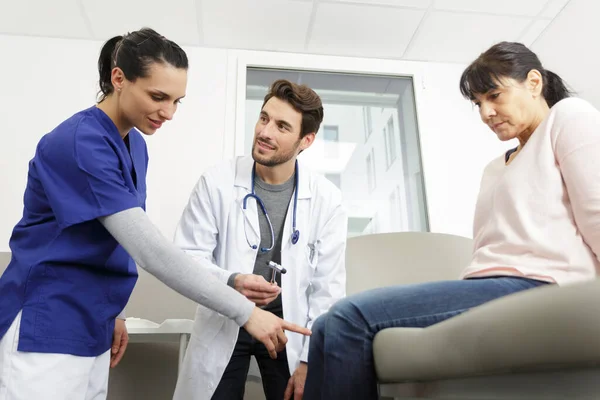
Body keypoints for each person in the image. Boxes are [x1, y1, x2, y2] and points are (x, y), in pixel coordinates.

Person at [0, 28, 309, 400]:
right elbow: (149, 250)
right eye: (158, 97)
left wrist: (114, 312)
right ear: (119, 79)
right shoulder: (80, 141)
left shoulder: (135, 146)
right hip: (46, 321)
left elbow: (115, 241)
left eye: (178, 101)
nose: (169, 112)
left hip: (91, 325)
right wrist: (246, 313)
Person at [303, 40, 600, 399]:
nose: (486, 113)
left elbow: (596, 212)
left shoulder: (567, 117)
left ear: (534, 83)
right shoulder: (495, 167)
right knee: (324, 326)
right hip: (490, 286)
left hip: (541, 284)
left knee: (347, 318)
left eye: (494, 96)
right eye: (478, 103)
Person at [172, 79, 347, 400]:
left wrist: (309, 360)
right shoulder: (217, 182)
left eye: (282, 126)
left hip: (288, 328)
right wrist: (232, 280)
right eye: (264, 118)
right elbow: (185, 259)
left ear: (305, 140)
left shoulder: (327, 199)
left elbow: (328, 289)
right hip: (226, 315)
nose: (265, 132)